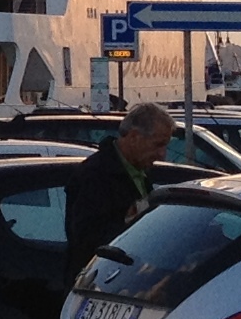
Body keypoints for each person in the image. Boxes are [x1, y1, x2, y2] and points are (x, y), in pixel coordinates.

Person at [68, 102, 174, 268]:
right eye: (158, 145)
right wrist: (131, 225)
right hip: (101, 280)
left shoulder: (138, 169)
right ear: (133, 137)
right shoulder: (95, 175)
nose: (162, 155)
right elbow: (86, 238)